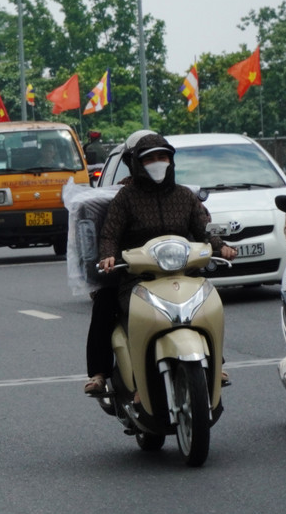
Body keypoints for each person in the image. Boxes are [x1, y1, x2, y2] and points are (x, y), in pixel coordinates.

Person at [84, 132, 235, 396]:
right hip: (136, 277)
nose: (157, 162)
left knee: (210, 304)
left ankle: (214, 362)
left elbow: (203, 230)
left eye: (162, 157)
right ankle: (99, 373)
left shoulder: (185, 196)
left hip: (181, 273)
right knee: (104, 303)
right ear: (137, 164)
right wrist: (108, 255)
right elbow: (110, 234)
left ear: (171, 160)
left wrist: (221, 246)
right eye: (149, 159)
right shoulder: (126, 198)